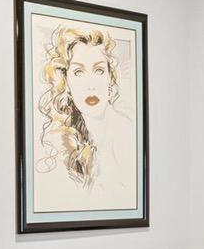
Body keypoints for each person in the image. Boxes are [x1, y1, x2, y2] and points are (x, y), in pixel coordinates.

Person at [34, 24, 137, 210]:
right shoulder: (63, 139)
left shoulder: (128, 135)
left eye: (98, 70)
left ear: (110, 77)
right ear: (66, 81)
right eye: (78, 72)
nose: (91, 84)